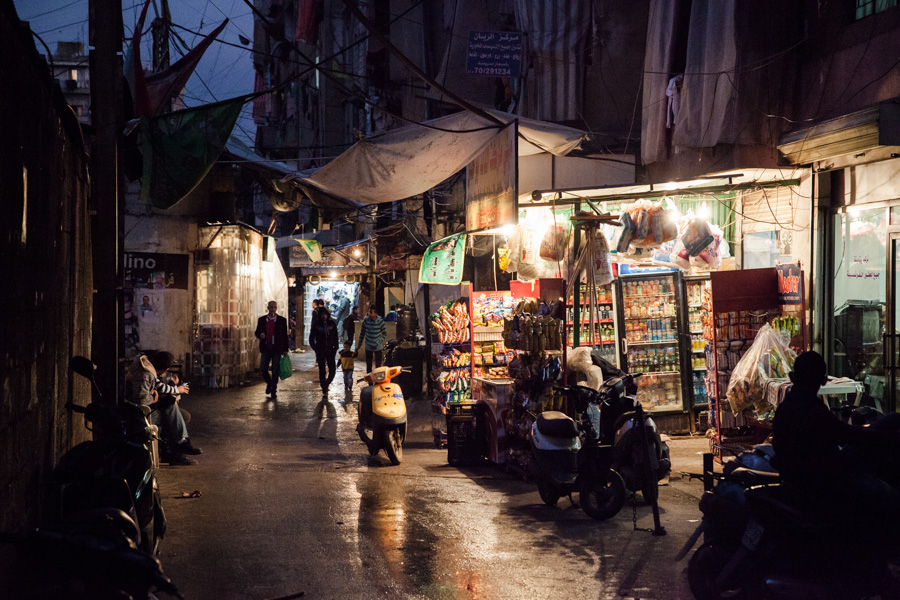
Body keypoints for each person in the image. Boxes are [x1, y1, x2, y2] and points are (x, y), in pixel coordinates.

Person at [772, 350, 900, 538]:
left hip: (809, 477)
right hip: (828, 480)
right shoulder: (812, 411)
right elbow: (848, 435)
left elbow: (844, 434)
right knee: (892, 500)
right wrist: (885, 438)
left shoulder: (787, 407)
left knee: (893, 418)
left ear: (792, 377)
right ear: (823, 381)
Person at [125, 350, 200, 465]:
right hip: (140, 414)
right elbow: (142, 401)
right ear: (166, 369)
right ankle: (177, 448)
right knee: (172, 412)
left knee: (177, 412)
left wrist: (171, 388)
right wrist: (156, 398)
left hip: (142, 410)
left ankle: (177, 447)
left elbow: (157, 385)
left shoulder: (147, 368)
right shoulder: (146, 374)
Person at [255, 300, 289, 399]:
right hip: (266, 347)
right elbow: (257, 332)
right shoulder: (262, 320)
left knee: (275, 369)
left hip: (276, 349)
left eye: (274, 307)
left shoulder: (282, 320)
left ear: (276, 308)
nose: (273, 309)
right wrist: (260, 334)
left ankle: (273, 389)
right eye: (271, 307)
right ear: (268, 308)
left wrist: (285, 349)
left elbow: (284, 336)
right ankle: (269, 383)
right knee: (263, 368)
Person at [309, 306, 339, 397]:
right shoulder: (317, 325)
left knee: (332, 370)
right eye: (322, 315)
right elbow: (311, 338)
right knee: (322, 370)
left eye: (325, 314)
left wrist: (335, 347)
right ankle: (324, 389)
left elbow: (336, 337)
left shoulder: (332, 324)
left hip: (330, 350)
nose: (324, 316)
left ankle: (326, 383)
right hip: (320, 350)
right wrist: (315, 348)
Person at [356, 305, 386, 372]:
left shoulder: (380, 321)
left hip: (378, 347)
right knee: (369, 366)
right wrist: (358, 347)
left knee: (378, 366)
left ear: (375, 313)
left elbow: (384, 334)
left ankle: (378, 382)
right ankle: (370, 382)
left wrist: (379, 341)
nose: (369, 314)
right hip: (368, 347)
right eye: (369, 312)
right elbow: (362, 334)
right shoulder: (366, 321)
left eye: (371, 312)